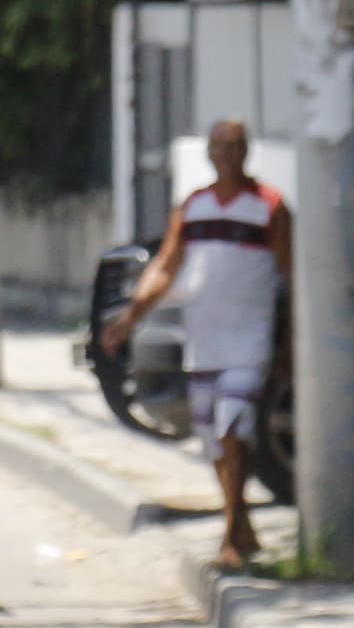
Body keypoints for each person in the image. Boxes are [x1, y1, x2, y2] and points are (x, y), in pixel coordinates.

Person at [101, 119, 291, 569]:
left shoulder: (270, 206)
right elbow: (167, 266)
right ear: (209, 153)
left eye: (235, 146)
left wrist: (291, 344)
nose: (226, 154)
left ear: (246, 152)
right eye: (218, 146)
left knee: (233, 426)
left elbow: (289, 276)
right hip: (204, 341)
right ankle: (241, 521)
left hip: (250, 338)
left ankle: (230, 539)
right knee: (212, 439)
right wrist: (130, 318)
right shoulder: (194, 207)